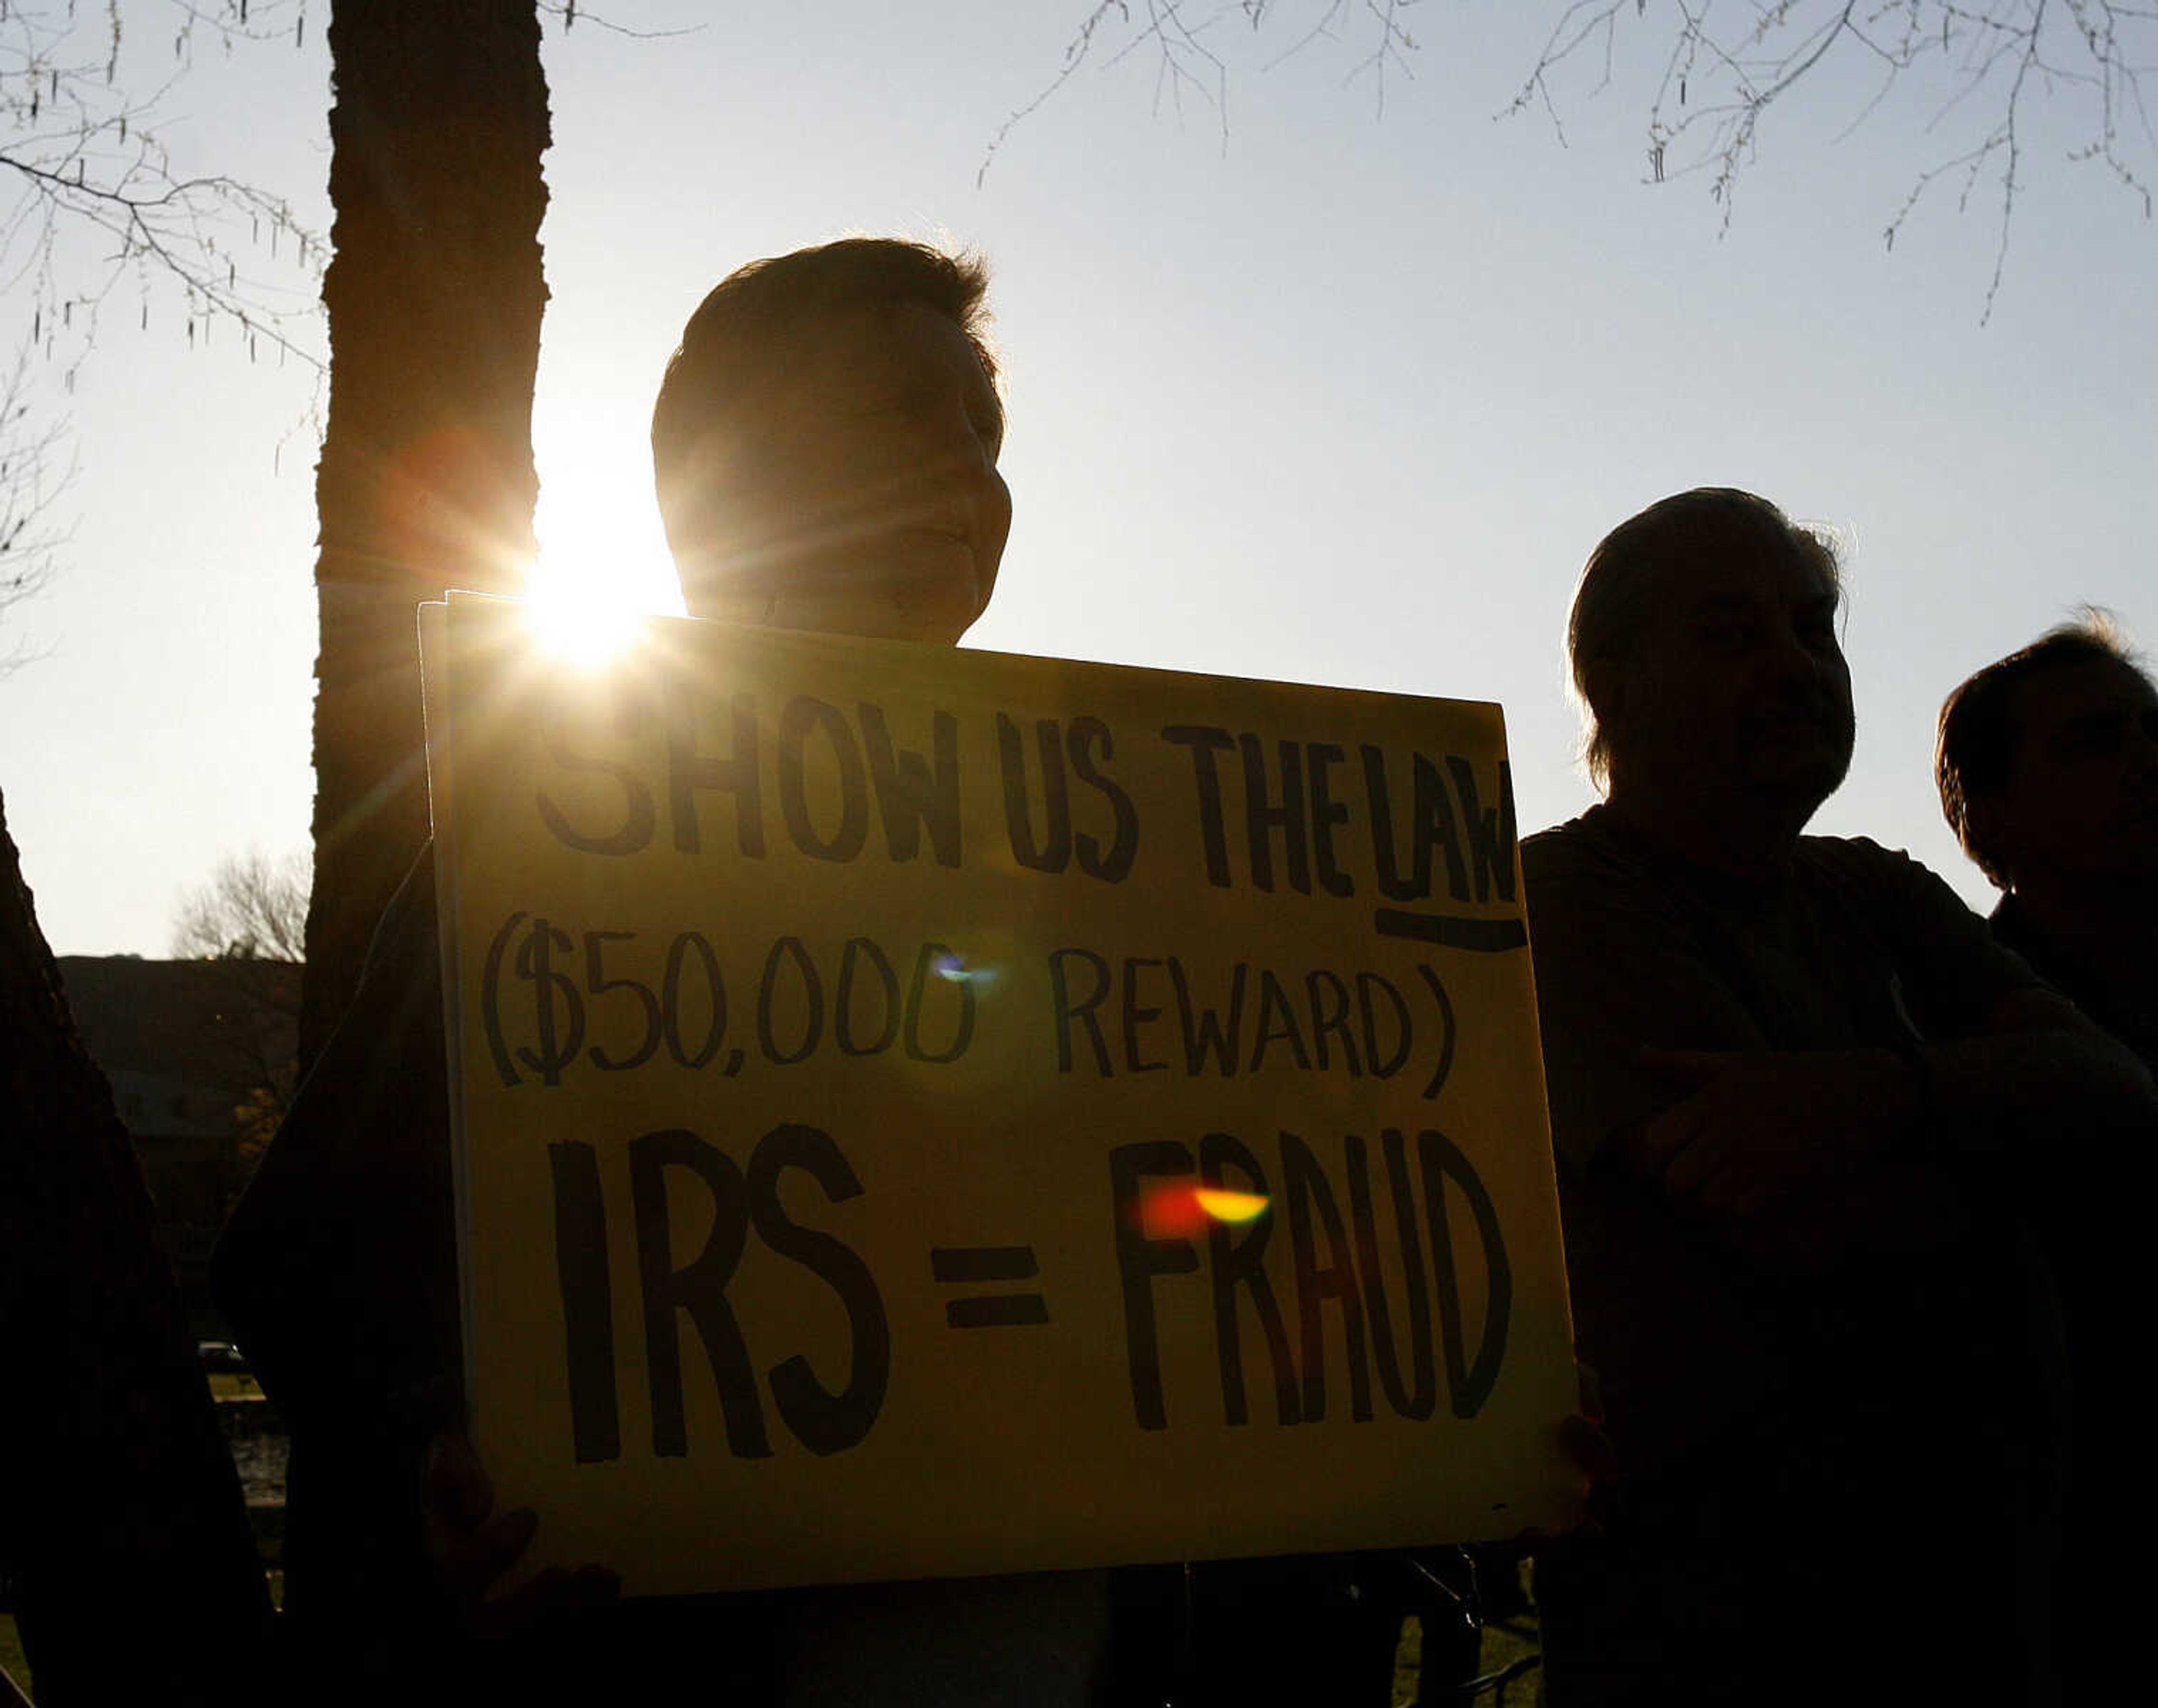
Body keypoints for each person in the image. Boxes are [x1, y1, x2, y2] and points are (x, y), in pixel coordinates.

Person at [213, 237, 1046, 1706]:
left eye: (985, 435)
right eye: (906, 421)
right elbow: (313, 1259)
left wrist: (1460, 1440)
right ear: (726, 488)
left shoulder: (1086, 860)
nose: (970, 478)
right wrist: (450, 1467)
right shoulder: (568, 824)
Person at [1520, 489, 2156, 1707]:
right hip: (1724, 1639)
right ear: (1613, 676)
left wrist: (1865, 1096)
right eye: (1732, 632)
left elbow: (2116, 1088)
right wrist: (2012, 1150)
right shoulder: (1563, 901)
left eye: (1816, 629)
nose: (1797, 667)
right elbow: (1801, 1232)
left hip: (1981, 1616)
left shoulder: (1877, 890)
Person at [1936, 618, 2158, 1700]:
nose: (2146, 761)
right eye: (2093, 742)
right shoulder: (1941, 1041)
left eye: (2149, 732)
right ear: (1989, 814)